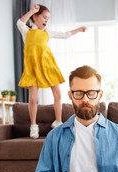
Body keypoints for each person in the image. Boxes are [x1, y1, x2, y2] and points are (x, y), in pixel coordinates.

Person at [17, 4, 87, 139]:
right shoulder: (26, 31)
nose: (46, 21)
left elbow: (65, 35)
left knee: (58, 95)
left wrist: (79, 29)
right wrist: (32, 10)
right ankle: (33, 125)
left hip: (48, 67)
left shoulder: (47, 33)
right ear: (35, 17)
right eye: (44, 17)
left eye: (48, 19)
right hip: (33, 69)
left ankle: (58, 121)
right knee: (32, 98)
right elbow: (19, 22)